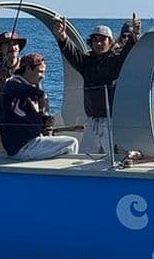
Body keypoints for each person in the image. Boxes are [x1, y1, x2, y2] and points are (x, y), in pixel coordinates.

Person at [53, 14, 141, 154]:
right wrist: (63, 37)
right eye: (95, 40)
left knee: (114, 158)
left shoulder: (116, 61)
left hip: (112, 121)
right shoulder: (86, 62)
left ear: (110, 41)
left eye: (102, 40)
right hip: (92, 121)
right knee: (85, 158)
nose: (98, 43)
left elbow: (128, 53)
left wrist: (134, 35)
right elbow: (72, 53)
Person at [0, 53, 78, 160]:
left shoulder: (30, 88)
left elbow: (28, 114)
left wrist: (44, 120)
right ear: (28, 69)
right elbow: (18, 90)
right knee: (71, 143)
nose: (43, 76)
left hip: (30, 142)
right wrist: (40, 94)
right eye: (40, 72)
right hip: (22, 147)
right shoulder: (13, 84)